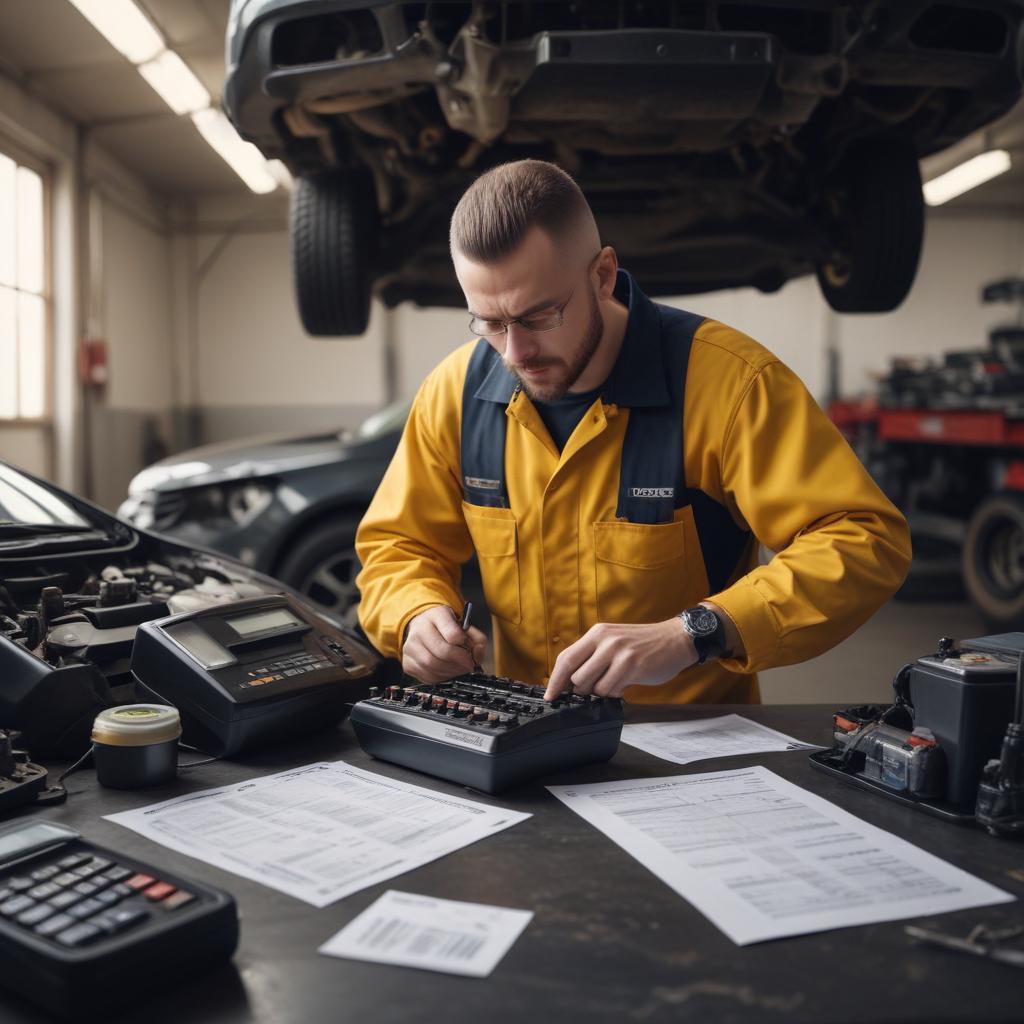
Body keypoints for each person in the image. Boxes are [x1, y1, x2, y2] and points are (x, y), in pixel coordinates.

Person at [354, 159, 911, 705]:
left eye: (540, 316)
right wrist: (414, 615)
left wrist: (696, 632)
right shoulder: (454, 393)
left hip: (693, 750)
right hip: (526, 739)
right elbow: (398, 544)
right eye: (491, 323)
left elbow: (862, 538)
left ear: (601, 275)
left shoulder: (728, 383)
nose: (515, 352)